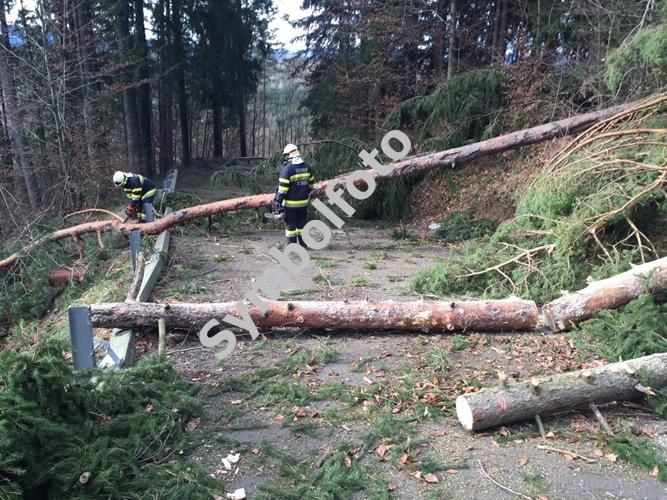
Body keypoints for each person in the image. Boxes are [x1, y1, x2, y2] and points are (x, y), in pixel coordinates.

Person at [273, 144, 314, 247]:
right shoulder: (307, 167)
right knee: (302, 226)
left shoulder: (287, 169)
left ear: (290, 155)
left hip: (290, 205)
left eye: (286, 155)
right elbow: (311, 185)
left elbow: (282, 190)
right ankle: (303, 245)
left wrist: (277, 202)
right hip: (303, 204)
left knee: (290, 227)